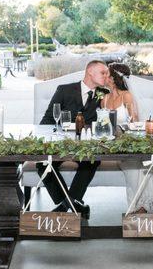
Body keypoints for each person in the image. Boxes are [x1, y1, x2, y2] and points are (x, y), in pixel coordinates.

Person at [104, 62, 153, 213]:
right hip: (111, 144)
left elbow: (134, 121)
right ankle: (140, 206)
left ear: (113, 78)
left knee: (142, 161)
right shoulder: (104, 98)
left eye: (107, 74)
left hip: (127, 141)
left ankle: (151, 206)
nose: (104, 77)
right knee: (136, 163)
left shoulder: (127, 96)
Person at [38, 60, 109, 219]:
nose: (106, 76)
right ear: (90, 72)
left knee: (92, 161)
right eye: (103, 72)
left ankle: (64, 206)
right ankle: (74, 204)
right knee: (42, 164)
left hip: (87, 146)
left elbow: (107, 121)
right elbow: (48, 119)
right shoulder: (64, 90)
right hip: (62, 143)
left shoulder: (104, 94)